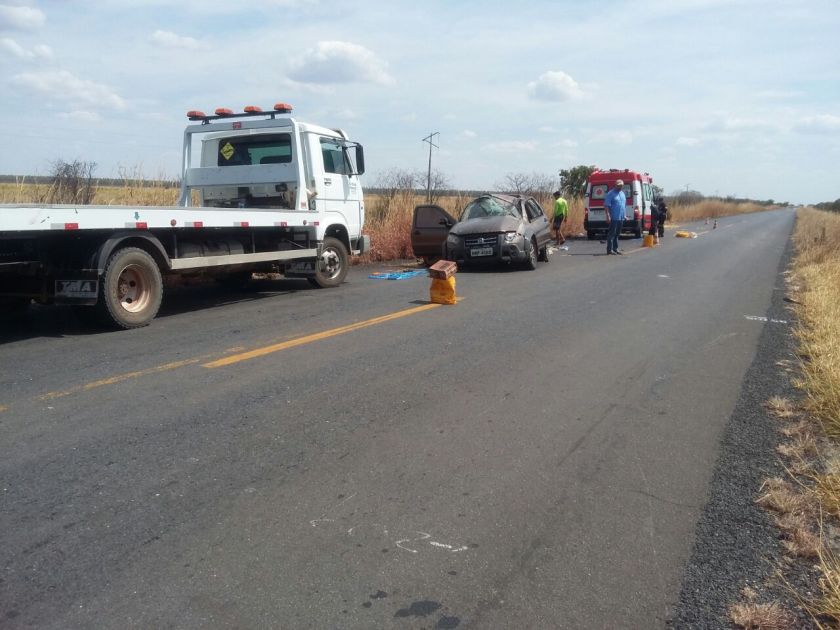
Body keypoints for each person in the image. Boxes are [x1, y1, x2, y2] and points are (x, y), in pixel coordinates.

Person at [604, 179, 626, 254]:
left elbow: (623, 205)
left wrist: (624, 215)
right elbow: (606, 205)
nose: (620, 187)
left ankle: (615, 248)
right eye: (619, 185)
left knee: (617, 233)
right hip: (614, 217)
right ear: (615, 185)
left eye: (621, 185)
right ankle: (609, 250)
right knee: (612, 233)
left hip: (621, 217)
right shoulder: (611, 193)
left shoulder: (622, 193)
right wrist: (608, 216)